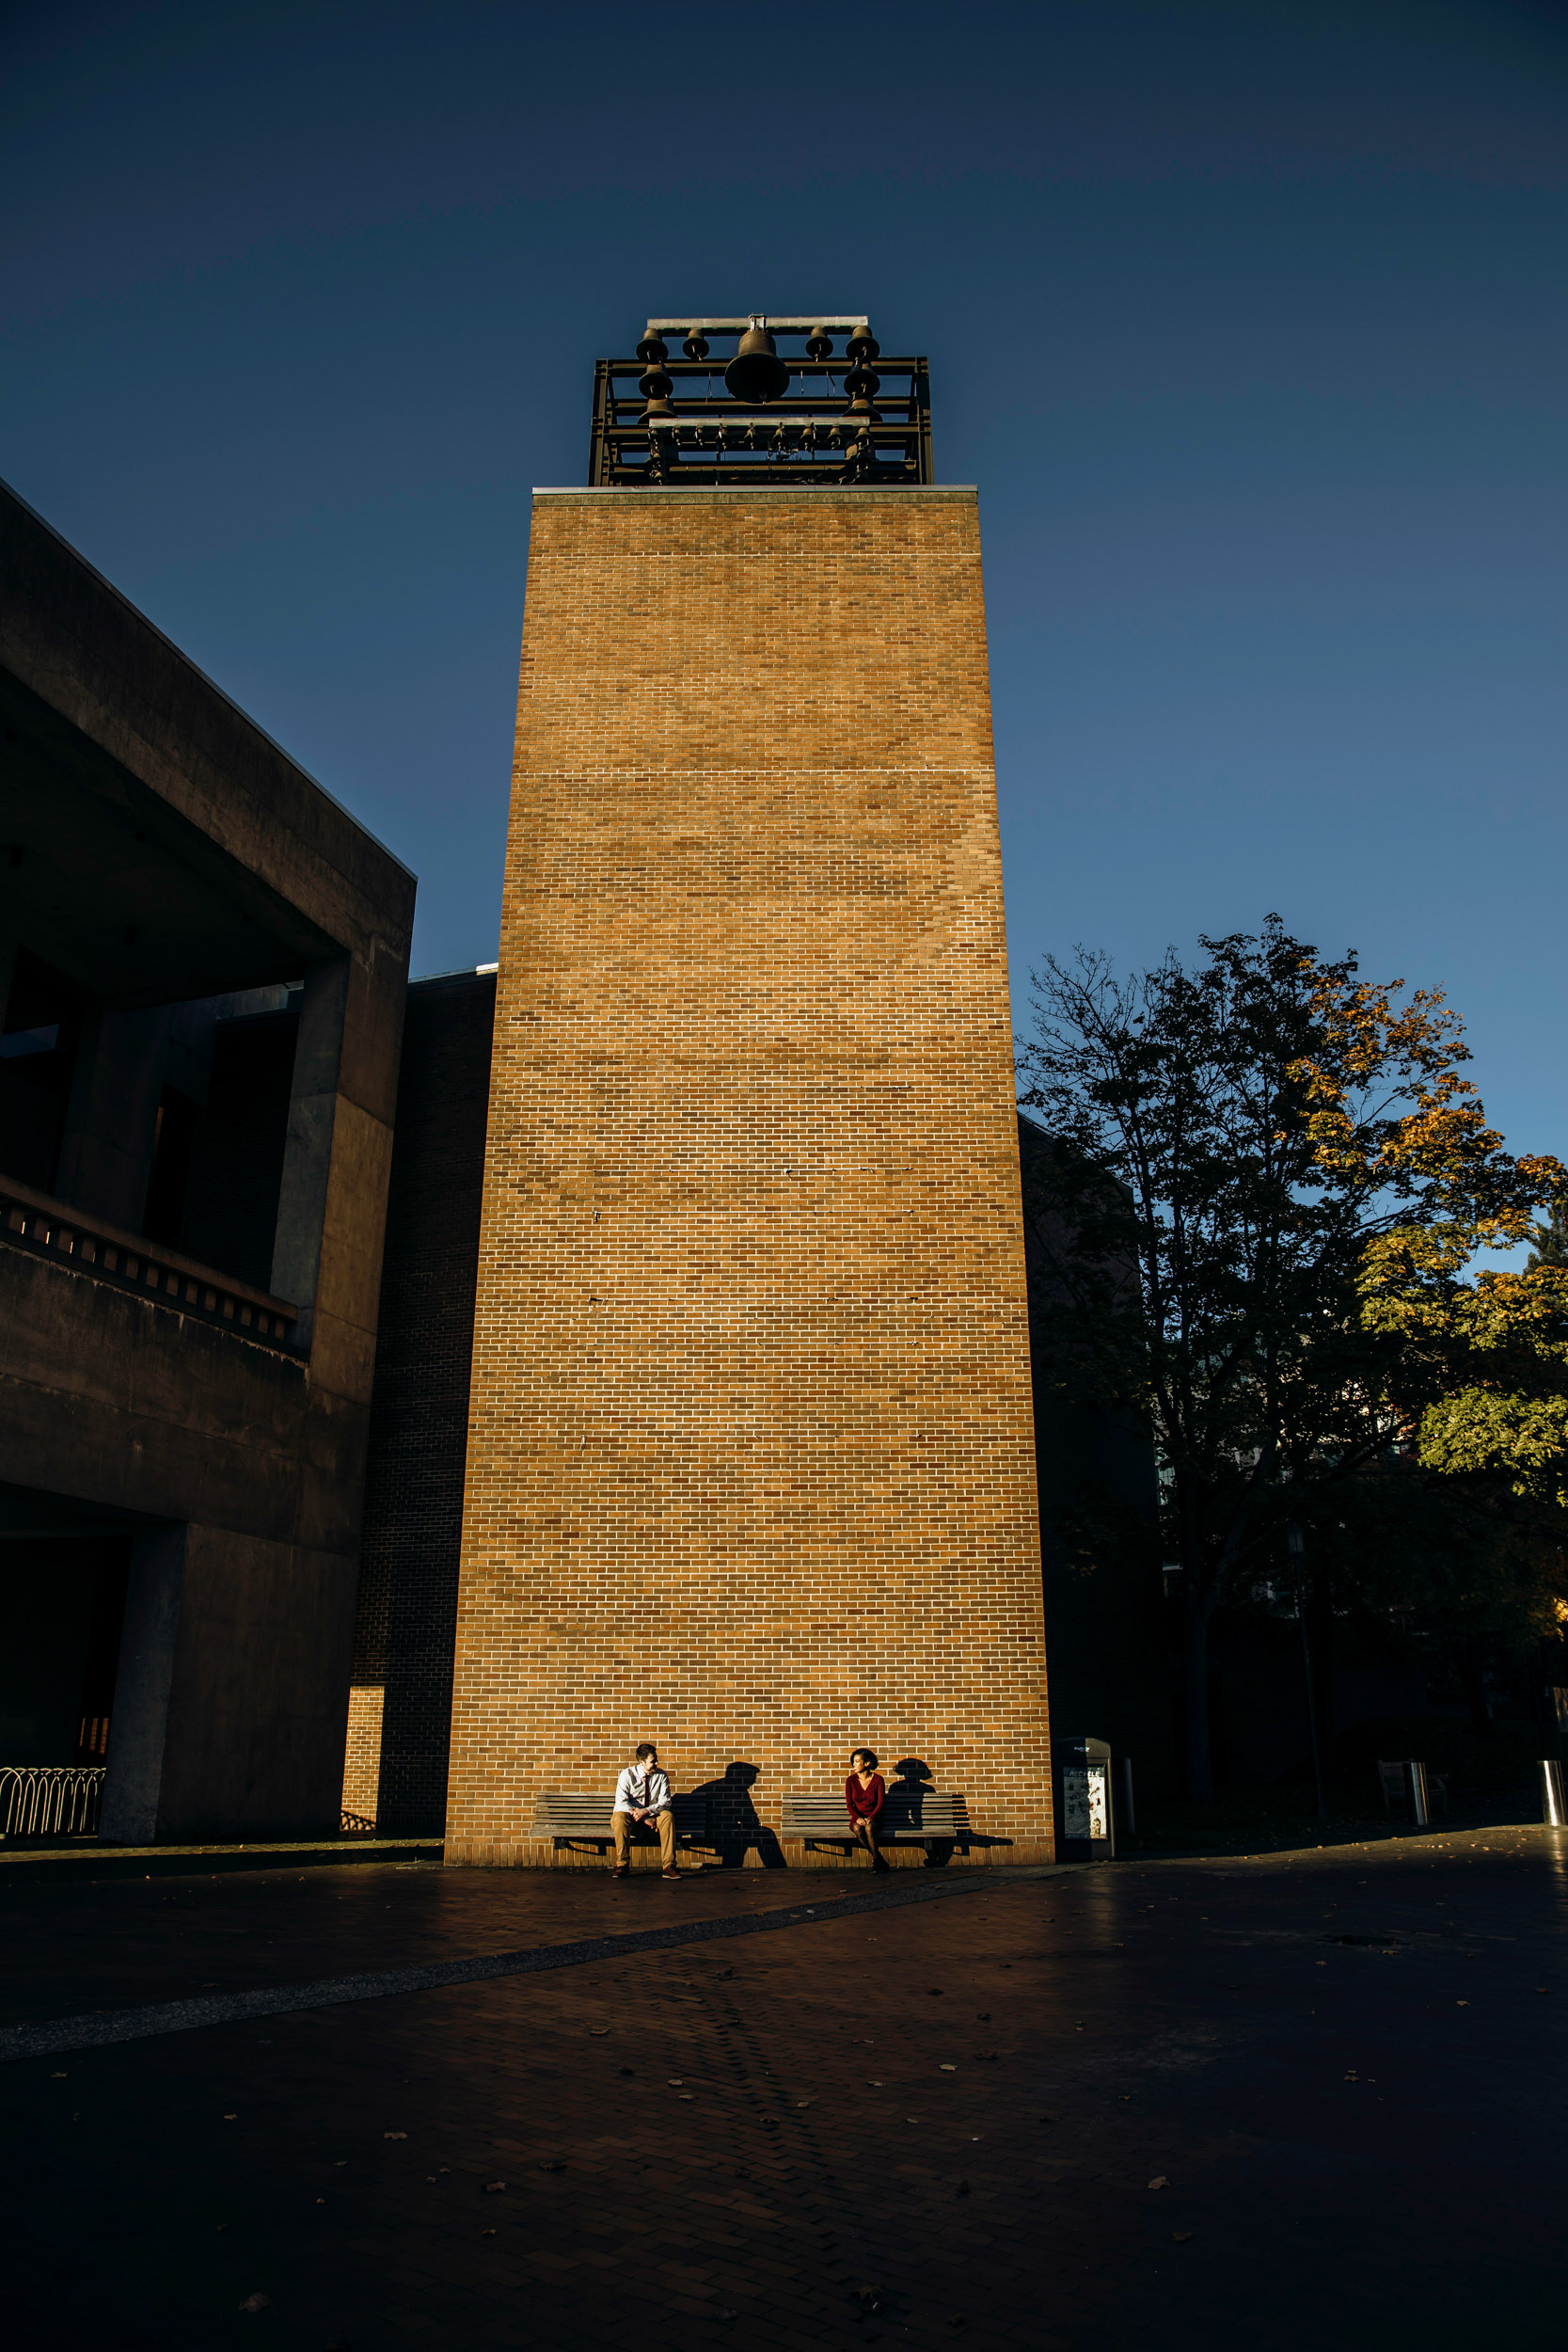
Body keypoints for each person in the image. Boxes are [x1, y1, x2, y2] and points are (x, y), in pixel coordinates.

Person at [611, 1741, 680, 1879]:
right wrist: (643, 1817)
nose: (656, 1763)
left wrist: (647, 1811)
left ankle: (669, 1866)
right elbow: (621, 1803)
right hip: (632, 1819)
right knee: (619, 1817)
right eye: (653, 1761)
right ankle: (622, 1865)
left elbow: (665, 1802)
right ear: (641, 1762)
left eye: (656, 1760)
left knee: (667, 1816)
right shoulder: (627, 1775)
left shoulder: (661, 1776)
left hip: (653, 1817)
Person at [846, 1747, 889, 1870]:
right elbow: (849, 1804)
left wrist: (871, 1817)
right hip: (858, 1818)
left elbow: (880, 1803)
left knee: (869, 1828)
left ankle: (877, 1862)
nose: (854, 1764)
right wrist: (858, 1818)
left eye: (857, 1761)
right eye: (853, 1761)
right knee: (856, 1828)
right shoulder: (850, 1781)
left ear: (867, 1763)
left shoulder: (878, 1780)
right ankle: (879, 1859)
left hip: (875, 1817)